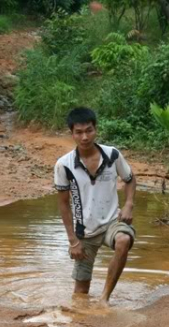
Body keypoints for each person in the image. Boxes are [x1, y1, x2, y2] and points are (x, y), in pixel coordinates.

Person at [54, 107, 137, 304]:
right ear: (72, 134)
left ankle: (104, 299)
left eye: (89, 130)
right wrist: (73, 241)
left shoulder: (112, 155)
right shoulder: (63, 165)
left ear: (96, 129)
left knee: (124, 240)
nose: (85, 137)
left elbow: (130, 179)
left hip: (111, 222)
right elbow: (64, 205)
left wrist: (129, 205)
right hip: (85, 233)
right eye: (79, 132)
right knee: (80, 293)